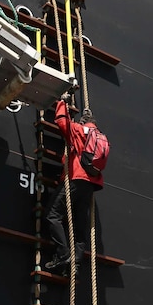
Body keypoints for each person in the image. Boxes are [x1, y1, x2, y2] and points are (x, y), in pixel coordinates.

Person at [44, 94, 104, 277]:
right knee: (80, 227)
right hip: (90, 185)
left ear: (84, 121)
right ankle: (75, 266)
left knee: (52, 215)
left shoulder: (80, 131)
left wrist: (62, 102)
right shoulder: (102, 137)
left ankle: (63, 254)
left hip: (75, 178)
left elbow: (62, 122)